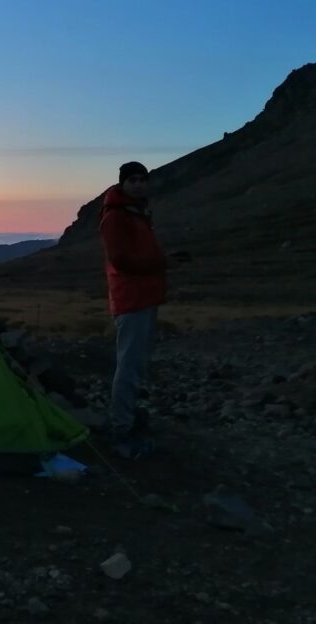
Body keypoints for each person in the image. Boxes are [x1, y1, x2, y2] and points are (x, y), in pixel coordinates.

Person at [99, 161, 178, 459]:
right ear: (122, 183)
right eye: (133, 180)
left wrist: (163, 260)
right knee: (129, 364)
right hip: (131, 298)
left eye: (143, 179)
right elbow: (122, 261)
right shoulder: (116, 216)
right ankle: (121, 428)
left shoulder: (137, 212)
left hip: (144, 296)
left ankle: (128, 416)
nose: (139, 184)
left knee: (137, 362)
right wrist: (163, 263)